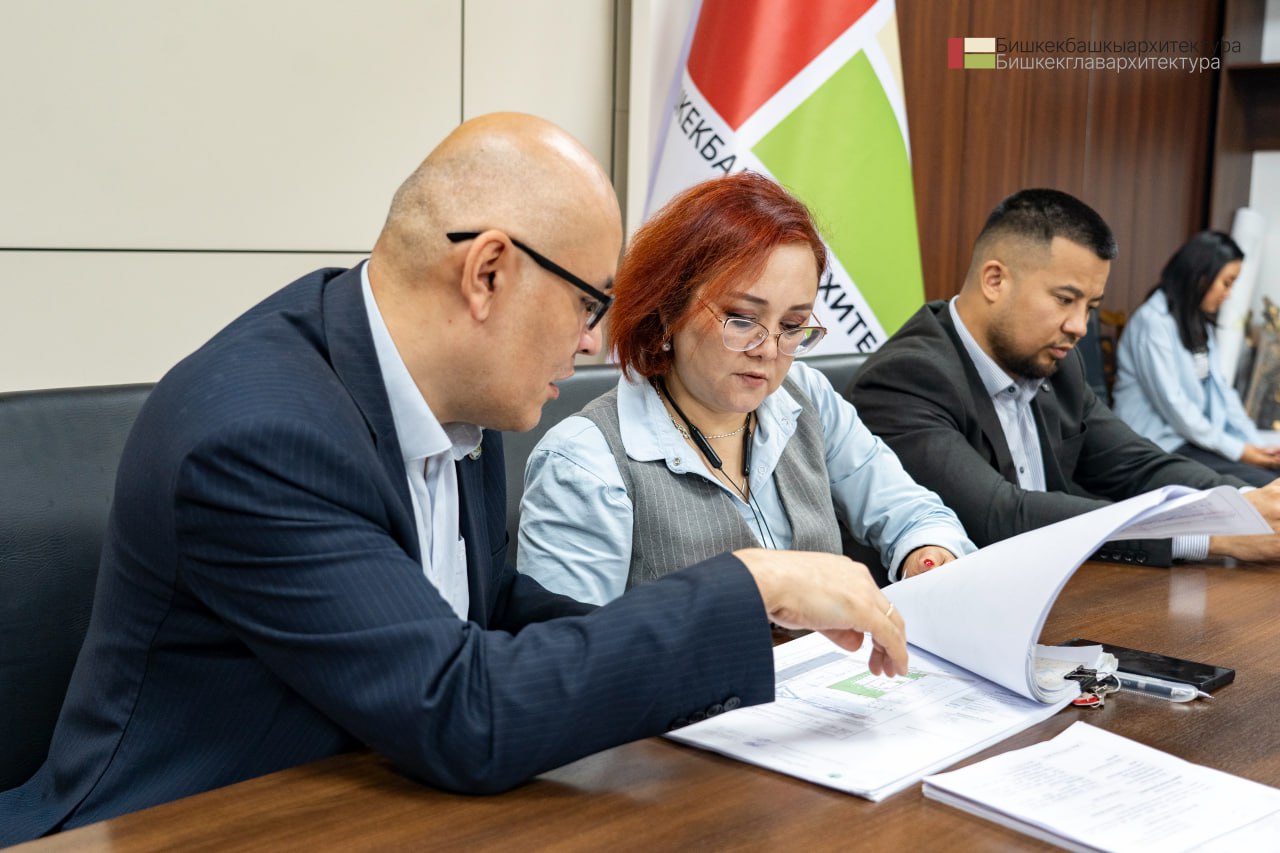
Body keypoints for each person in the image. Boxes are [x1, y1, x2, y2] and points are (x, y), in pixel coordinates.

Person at [0, 114, 908, 843]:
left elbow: (487, 607)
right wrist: (748, 583)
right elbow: (461, 707)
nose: (596, 340)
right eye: (588, 302)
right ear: (488, 272)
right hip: (181, 822)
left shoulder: (455, 392)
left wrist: (729, 645)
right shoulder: (260, 435)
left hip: (369, 798)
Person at [517, 172, 974, 605]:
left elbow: (916, 514)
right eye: (742, 320)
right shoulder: (584, 462)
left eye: (792, 325)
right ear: (668, 310)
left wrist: (928, 554)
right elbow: (578, 650)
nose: (769, 350)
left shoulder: (804, 396)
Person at [847, 188, 1280, 567]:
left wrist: (1247, 505)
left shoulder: (1055, 361)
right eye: (1064, 299)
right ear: (995, 280)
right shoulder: (905, 378)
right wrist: (1206, 535)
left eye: (1090, 307)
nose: (1079, 327)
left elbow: (1137, 465)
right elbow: (1000, 516)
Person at [1112, 231, 1279, 486]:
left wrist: (1256, 445)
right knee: (1265, 485)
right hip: (1159, 446)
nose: (1229, 294)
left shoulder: (1199, 324)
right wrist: (1239, 451)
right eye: (1226, 283)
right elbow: (1176, 407)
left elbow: (1223, 393)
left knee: (1272, 473)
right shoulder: (1153, 323)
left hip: (1191, 440)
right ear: (1201, 276)